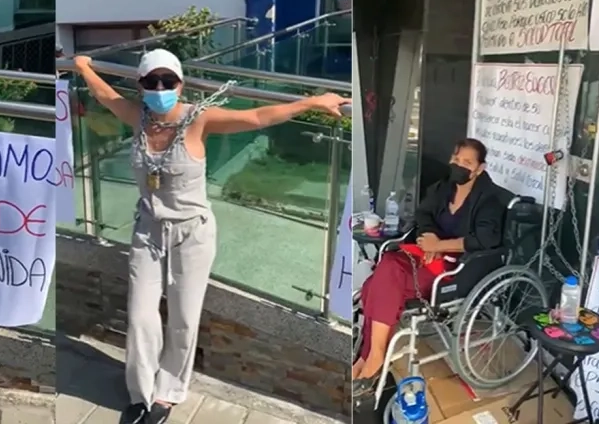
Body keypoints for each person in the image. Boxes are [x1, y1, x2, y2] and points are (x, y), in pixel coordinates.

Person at [73, 49, 349, 424]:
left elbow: (254, 116)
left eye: (167, 81)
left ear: (180, 84)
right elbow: (107, 96)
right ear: (140, 86)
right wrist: (83, 67)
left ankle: (167, 395)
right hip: (149, 231)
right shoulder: (137, 117)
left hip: (193, 234)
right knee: (140, 317)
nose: (159, 88)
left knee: (184, 319)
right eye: (150, 81)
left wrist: (312, 102)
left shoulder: (197, 120)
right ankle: (141, 394)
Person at [353, 138, 504, 397]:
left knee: (381, 280)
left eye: (467, 162)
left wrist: (441, 244)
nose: (460, 165)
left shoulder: (489, 199)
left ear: (480, 168)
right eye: (457, 160)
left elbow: (484, 239)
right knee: (384, 272)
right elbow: (424, 215)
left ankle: (372, 356)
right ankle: (370, 356)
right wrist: (430, 239)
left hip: (455, 269)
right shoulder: (443, 188)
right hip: (425, 255)